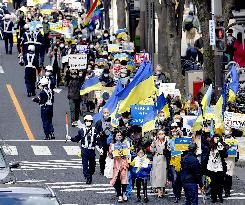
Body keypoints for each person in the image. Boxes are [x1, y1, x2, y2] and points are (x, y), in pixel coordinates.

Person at [66, 115, 103, 184]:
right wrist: (70, 138)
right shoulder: (81, 131)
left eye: (90, 121)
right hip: (84, 150)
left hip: (92, 150)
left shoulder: (95, 130)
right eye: (87, 121)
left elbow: (98, 140)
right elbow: (77, 138)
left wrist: (101, 148)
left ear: (92, 122)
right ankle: (88, 177)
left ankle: (90, 174)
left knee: (92, 166)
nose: (88, 122)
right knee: (85, 165)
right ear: (85, 122)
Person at [203, 136, 228, 203]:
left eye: (218, 138)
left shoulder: (222, 146)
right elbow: (202, 140)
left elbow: (225, 155)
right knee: (213, 184)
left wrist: (220, 147)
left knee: (220, 184)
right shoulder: (210, 146)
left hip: (219, 168)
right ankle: (214, 198)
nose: (216, 139)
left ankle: (220, 196)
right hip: (211, 168)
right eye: (215, 138)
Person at [108, 129, 130, 203]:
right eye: (117, 135)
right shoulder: (112, 145)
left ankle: (124, 193)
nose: (119, 137)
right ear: (115, 137)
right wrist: (111, 152)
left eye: (120, 135)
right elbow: (110, 156)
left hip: (124, 163)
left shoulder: (126, 144)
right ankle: (119, 195)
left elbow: (129, 154)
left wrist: (127, 152)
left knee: (124, 178)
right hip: (116, 163)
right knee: (117, 179)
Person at [150, 130, 169, 198]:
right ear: (157, 135)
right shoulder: (155, 141)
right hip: (157, 158)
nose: (161, 135)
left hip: (164, 159)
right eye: (160, 134)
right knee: (157, 175)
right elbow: (151, 150)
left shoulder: (167, 141)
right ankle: (158, 191)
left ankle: (163, 190)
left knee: (164, 175)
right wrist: (153, 143)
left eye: (162, 133)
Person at [95, 108, 112, 175]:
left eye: (107, 112)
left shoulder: (112, 122)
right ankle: (102, 170)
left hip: (111, 142)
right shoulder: (99, 122)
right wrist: (99, 135)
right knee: (102, 156)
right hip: (102, 141)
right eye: (105, 112)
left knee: (112, 156)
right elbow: (96, 133)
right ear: (102, 113)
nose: (106, 114)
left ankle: (112, 170)